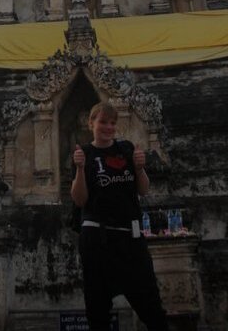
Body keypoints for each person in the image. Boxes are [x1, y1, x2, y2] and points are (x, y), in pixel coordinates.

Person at [71, 102, 169, 331]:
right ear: (91, 123)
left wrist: (139, 168)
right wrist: (79, 169)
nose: (108, 127)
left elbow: (143, 190)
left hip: (130, 238)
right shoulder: (84, 153)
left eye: (112, 123)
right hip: (97, 238)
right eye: (102, 122)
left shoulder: (126, 149)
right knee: (97, 311)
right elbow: (79, 200)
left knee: (152, 307)